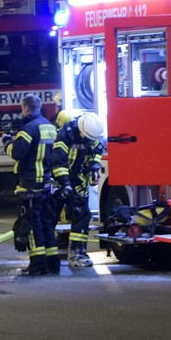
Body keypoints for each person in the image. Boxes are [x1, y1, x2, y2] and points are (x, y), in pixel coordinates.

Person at [4, 94, 60, 275]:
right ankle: (53, 263)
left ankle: (38, 265)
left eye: (22, 108)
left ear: (26, 108)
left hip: (30, 186)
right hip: (46, 184)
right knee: (46, 225)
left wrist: (7, 142)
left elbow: (17, 152)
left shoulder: (28, 129)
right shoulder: (49, 127)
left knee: (32, 226)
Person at [52, 111, 106, 268]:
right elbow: (58, 162)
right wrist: (65, 184)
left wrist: (95, 166)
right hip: (59, 180)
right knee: (50, 217)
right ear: (82, 132)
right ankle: (46, 256)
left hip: (79, 180)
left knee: (82, 215)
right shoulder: (65, 134)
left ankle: (78, 254)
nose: (90, 141)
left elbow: (97, 151)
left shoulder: (92, 134)